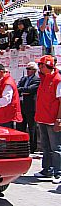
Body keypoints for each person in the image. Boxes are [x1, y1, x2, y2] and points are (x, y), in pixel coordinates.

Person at [33, 55, 61, 183]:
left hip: (52, 119)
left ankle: (58, 173)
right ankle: (47, 170)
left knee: (56, 148)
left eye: (41, 65)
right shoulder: (43, 78)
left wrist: (59, 120)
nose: (39, 67)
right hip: (42, 118)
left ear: (48, 66)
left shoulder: (57, 80)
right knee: (46, 146)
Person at [16, 62, 40, 154]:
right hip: (22, 105)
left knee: (32, 127)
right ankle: (21, 146)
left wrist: (22, 90)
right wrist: (23, 90)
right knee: (20, 126)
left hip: (31, 106)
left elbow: (30, 89)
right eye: (27, 69)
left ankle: (32, 147)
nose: (27, 71)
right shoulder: (24, 78)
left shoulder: (36, 80)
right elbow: (17, 87)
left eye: (29, 69)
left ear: (34, 70)